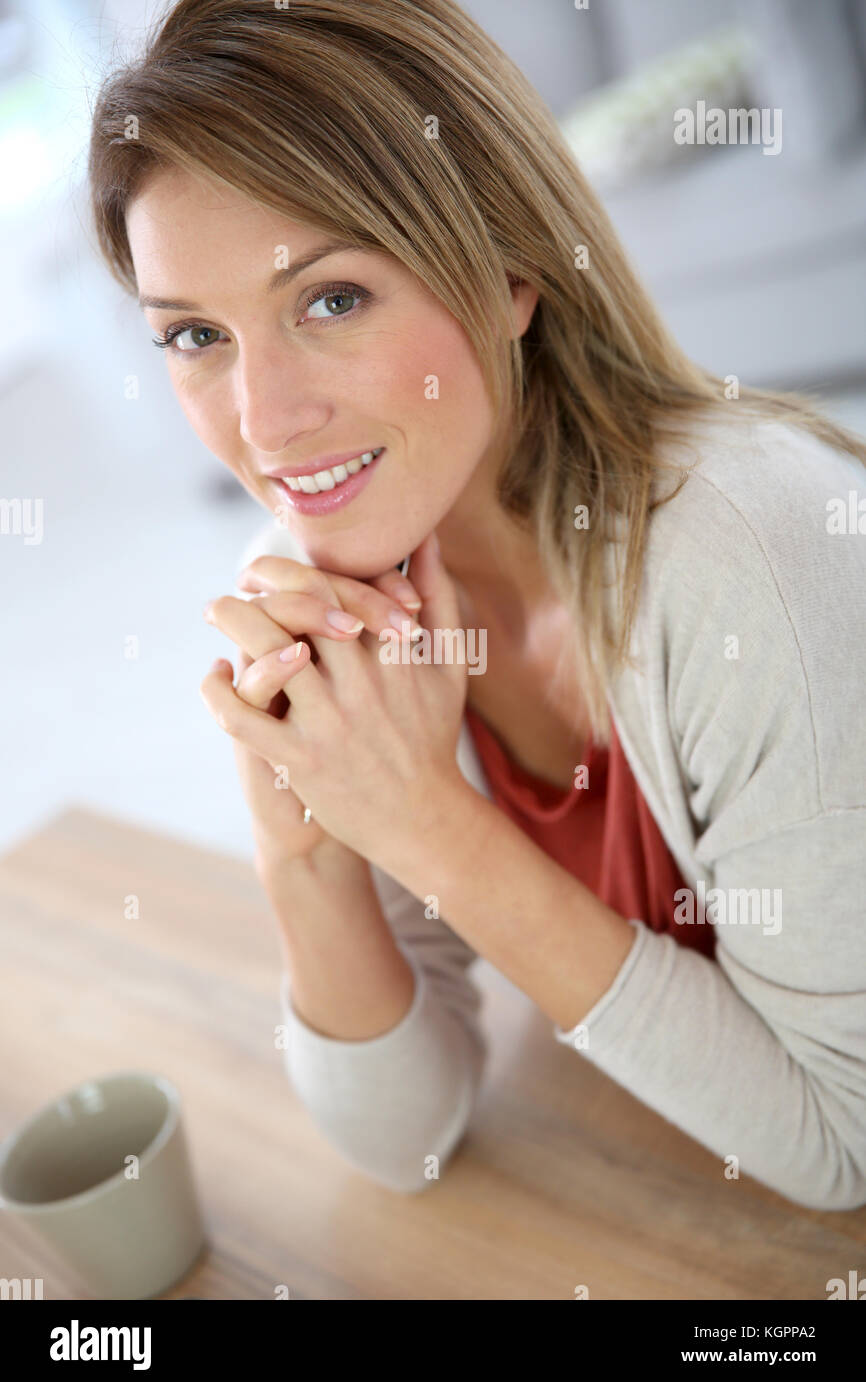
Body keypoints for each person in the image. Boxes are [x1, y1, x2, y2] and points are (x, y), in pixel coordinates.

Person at [87, 0, 866, 1209]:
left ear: (509, 271)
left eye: (329, 299)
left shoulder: (756, 557)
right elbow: (408, 1140)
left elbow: (839, 1147)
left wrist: (419, 818)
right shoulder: (349, 571)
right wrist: (304, 852)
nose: (265, 422)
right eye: (195, 334)